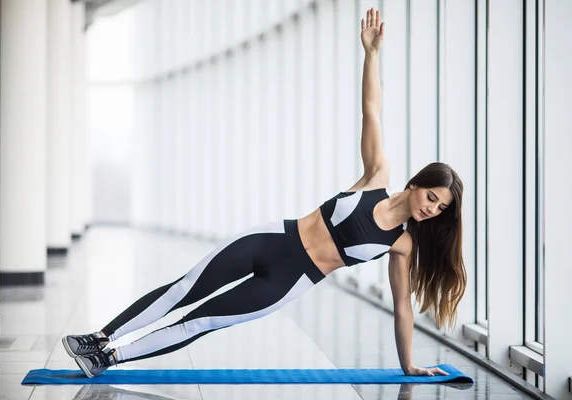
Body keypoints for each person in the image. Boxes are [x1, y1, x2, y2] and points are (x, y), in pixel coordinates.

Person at [62, 7, 466, 379]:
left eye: (441, 208)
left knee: (201, 320)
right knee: (182, 290)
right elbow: (371, 111)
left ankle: (107, 359)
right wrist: (372, 54)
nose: (432, 209)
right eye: (432, 197)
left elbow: (401, 309)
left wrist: (409, 364)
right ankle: (99, 338)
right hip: (275, 238)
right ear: (416, 184)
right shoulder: (377, 177)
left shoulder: (403, 244)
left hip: (291, 278)